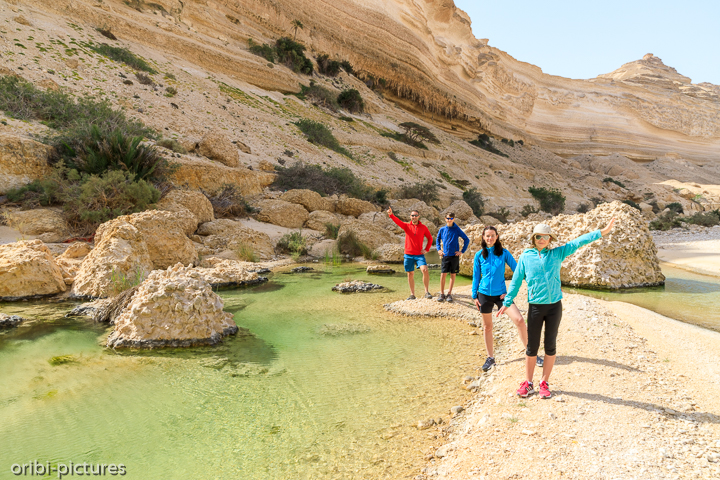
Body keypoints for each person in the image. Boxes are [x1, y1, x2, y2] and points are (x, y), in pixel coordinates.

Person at [498, 218, 616, 399]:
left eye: (545, 237)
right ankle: (528, 383)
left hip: (554, 307)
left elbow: (578, 242)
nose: (541, 239)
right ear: (534, 238)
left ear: (550, 239)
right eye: (538, 236)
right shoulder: (525, 257)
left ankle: (544, 382)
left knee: (550, 346)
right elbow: (516, 281)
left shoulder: (557, 254)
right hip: (536, 307)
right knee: (531, 347)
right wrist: (507, 303)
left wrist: (602, 232)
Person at [471, 226, 535, 372]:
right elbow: (476, 277)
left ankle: (531, 353)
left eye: (492, 236)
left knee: (519, 320)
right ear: (483, 237)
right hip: (484, 295)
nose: (490, 238)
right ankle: (490, 358)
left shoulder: (504, 253)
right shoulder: (479, 255)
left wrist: (511, 292)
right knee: (487, 327)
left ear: (497, 237)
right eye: (487, 236)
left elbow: (518, 271)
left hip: (501, 295)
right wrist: (474, 295)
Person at [388, 206, 433, 300]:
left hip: (419, 254)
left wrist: (427, 249)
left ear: (418, 216)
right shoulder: (406, 226)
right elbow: (398, 222)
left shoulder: (423, 227)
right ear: (410, 217)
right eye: (412, 215)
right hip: (408, 254)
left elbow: (430, 238)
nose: (414, 217)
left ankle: (426, 292)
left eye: (416, 215)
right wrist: (391, 215)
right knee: (410, 274)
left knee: (425, 270)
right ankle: (412, 294)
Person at [436, 213, 470, 302]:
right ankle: (442, 294)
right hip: (445, 255)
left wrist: (461, 251)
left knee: (453, 274)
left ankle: (449, 294)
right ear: (445, 219)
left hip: (454, 256)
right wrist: (439, 249)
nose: (449, 220)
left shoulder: (457, 229)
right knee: (443, 274)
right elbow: (437, 239)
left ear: (454, 219)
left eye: (451, 218)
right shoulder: (442, 229)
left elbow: (466, 239)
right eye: (448, 218)